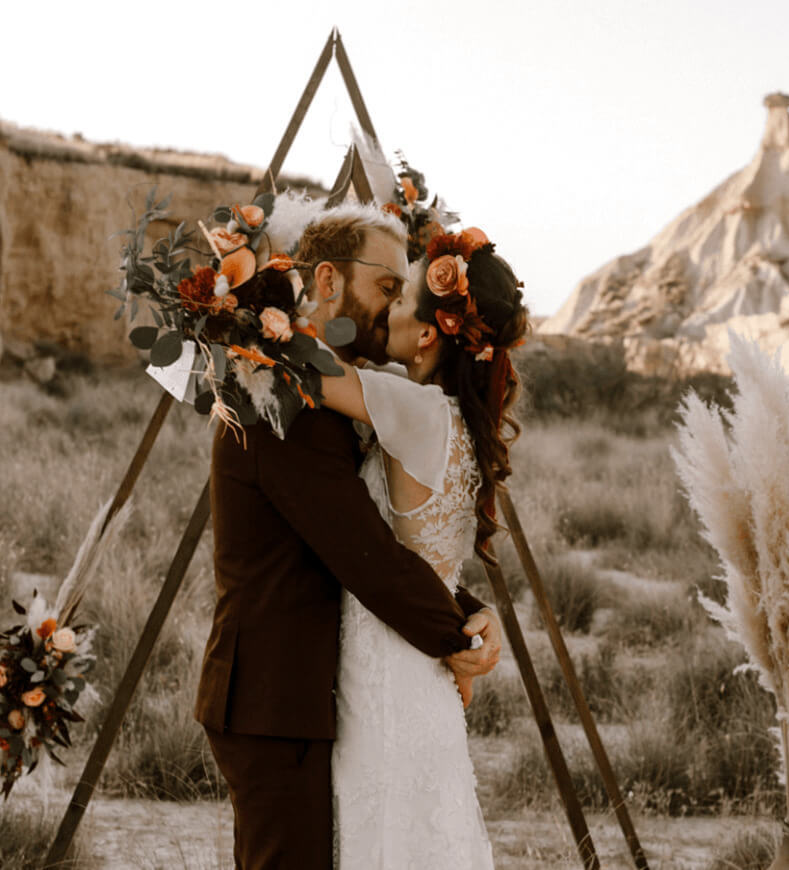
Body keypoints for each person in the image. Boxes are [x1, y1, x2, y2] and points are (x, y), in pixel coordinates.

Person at [194, 201, 503, 870]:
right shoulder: (280, 403)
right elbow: (367, 558)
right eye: (387, 286)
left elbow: (387, 538)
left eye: (401, 292)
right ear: (329, 280)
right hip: (275, 698)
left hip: (309, 699)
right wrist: (459, 638)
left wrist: (469, 611)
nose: (393, 307)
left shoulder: (331, 397)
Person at [308, 223, 529, 868]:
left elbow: (305, 367)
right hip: (427, 676)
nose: (387, 312)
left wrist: (244, 307)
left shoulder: (417, 410)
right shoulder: (456, 421)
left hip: (385, 670)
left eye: (399, 299)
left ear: (430, 334)